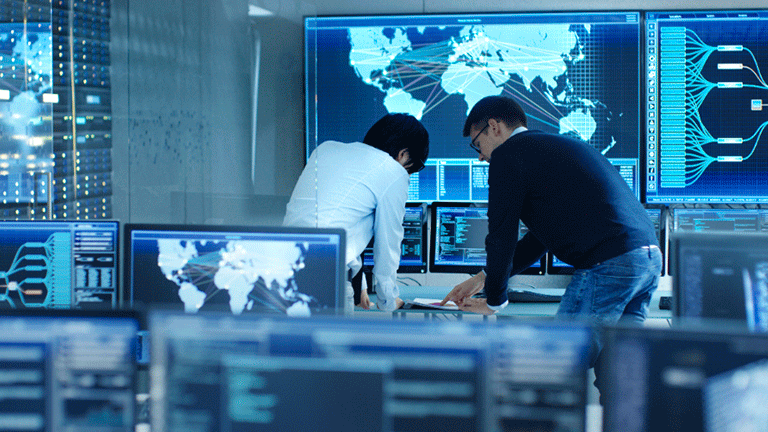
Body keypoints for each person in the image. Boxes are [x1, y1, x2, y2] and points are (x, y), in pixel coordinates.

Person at [440, 96, 661, 388]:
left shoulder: (509, 155)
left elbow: (501, 235)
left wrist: (495, 301)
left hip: (609, 263)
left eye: (476, 145)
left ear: (494, 127)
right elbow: (538, 241)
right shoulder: (557, 147)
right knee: (617, 375)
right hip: (647, 260)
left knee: (554, 368)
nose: (480, 156)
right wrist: (483, 278)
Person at [284, 113, 429, 315]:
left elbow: (343, 219)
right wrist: (388, 299)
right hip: (326, 282)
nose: (409, 174)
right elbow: (388, 242)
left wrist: (359, 283)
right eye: (413, 169)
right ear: (403, 155)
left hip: (282, 270)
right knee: (332, 346)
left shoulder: (325, 149)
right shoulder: (393, 171)